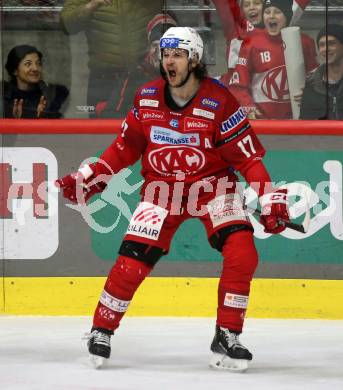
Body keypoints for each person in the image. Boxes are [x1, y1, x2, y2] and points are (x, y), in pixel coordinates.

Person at [56, 27, 290, 372]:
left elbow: (249, 160)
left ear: (194, 59)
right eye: (165, 54)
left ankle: (227, 333)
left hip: (213, 189)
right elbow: (124, 148)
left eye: (177, 54)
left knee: (242, 251)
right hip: (161, 190)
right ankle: (100, 330)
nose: (169, 60)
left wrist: (269, 199)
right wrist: (91, 177)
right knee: (132, 261)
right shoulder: (147, 97)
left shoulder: (219, 101)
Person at [60, 0, 161, 114]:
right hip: (104, 81)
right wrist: (90, 6)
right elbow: (67, 23)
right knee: (101, 128)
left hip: (142, 78)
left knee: (147, 127)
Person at [228, 0, 318, 119]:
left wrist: (310, 96)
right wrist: (248, 107)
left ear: (287, 16)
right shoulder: (251, 44)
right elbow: (238, 85)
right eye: (267, 12)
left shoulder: (304, 42)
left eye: (277, 12)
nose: (271, 16)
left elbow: (317, 81)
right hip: (264, 123)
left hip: (297, 122)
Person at [95, 13, 177, 118]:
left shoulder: (187, 74)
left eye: (166, 48)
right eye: (155, 46)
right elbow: (112, 112)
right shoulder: (136, 74)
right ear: (149, 47)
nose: (159, 53)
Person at [214, 0, 311, 87]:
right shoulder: (236, 27)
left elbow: (297, 4)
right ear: (241, 10)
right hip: (237, 89)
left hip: (269, 94)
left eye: (257, 3)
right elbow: (224, 4)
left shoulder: (279, 22)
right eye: (246, 5)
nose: (252, 7)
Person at [3, 45, 69, 119]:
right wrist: (14, 120)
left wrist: (44, 116)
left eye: (38, 63)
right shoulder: (4, 95)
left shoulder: (50, 95)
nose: (35, 68)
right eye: (28, 64)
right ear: (15, 70)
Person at [300, 24, 343, 120]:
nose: (326, 49)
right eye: (322, 45)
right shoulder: (311, 85)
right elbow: (305, 124)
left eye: (332, 43)